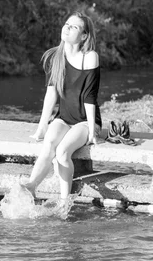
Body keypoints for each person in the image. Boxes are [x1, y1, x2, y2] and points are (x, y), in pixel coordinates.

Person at [25, 11, 102, 201]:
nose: (67, 28)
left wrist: (92, 131)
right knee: (49, 144)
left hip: (84, 121)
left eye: (74, 26)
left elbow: (90, 97)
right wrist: (42, 126)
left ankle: (64, 202)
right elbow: (51, 94)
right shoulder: (55, 57)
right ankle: (31, 187)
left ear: (84, 36)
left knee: (62, 152)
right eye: (67, 24)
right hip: (64, 118)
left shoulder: (90, 57)